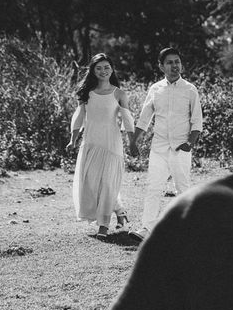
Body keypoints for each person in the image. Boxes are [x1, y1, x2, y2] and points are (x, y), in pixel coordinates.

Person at [128, 47, 203, 242]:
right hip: (159, 147)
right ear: (161, 66)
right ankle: (147, 228)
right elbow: (145, 118)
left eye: (177, 61)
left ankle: (187, 229)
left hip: (181, 148)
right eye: (169, 62)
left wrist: (189, 143)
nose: (174, 66)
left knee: (183, 188)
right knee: (154, 187)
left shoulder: (189, 89)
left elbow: (197, 120)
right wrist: (134, 140)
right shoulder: (155, 89)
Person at [69, 53, 136, 239]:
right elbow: (79, 117)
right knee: (92, 183)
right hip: (91, 142)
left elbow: (128, 120)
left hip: (111, 143)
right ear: (92, 70)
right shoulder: (86, 93)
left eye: (106, 67)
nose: (103, 71)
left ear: (112, 69)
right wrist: (72, 139)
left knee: (107, 183)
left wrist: (132, 142)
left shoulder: (119, 94)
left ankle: (103, 226)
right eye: (98, 68)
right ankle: (120, 211)